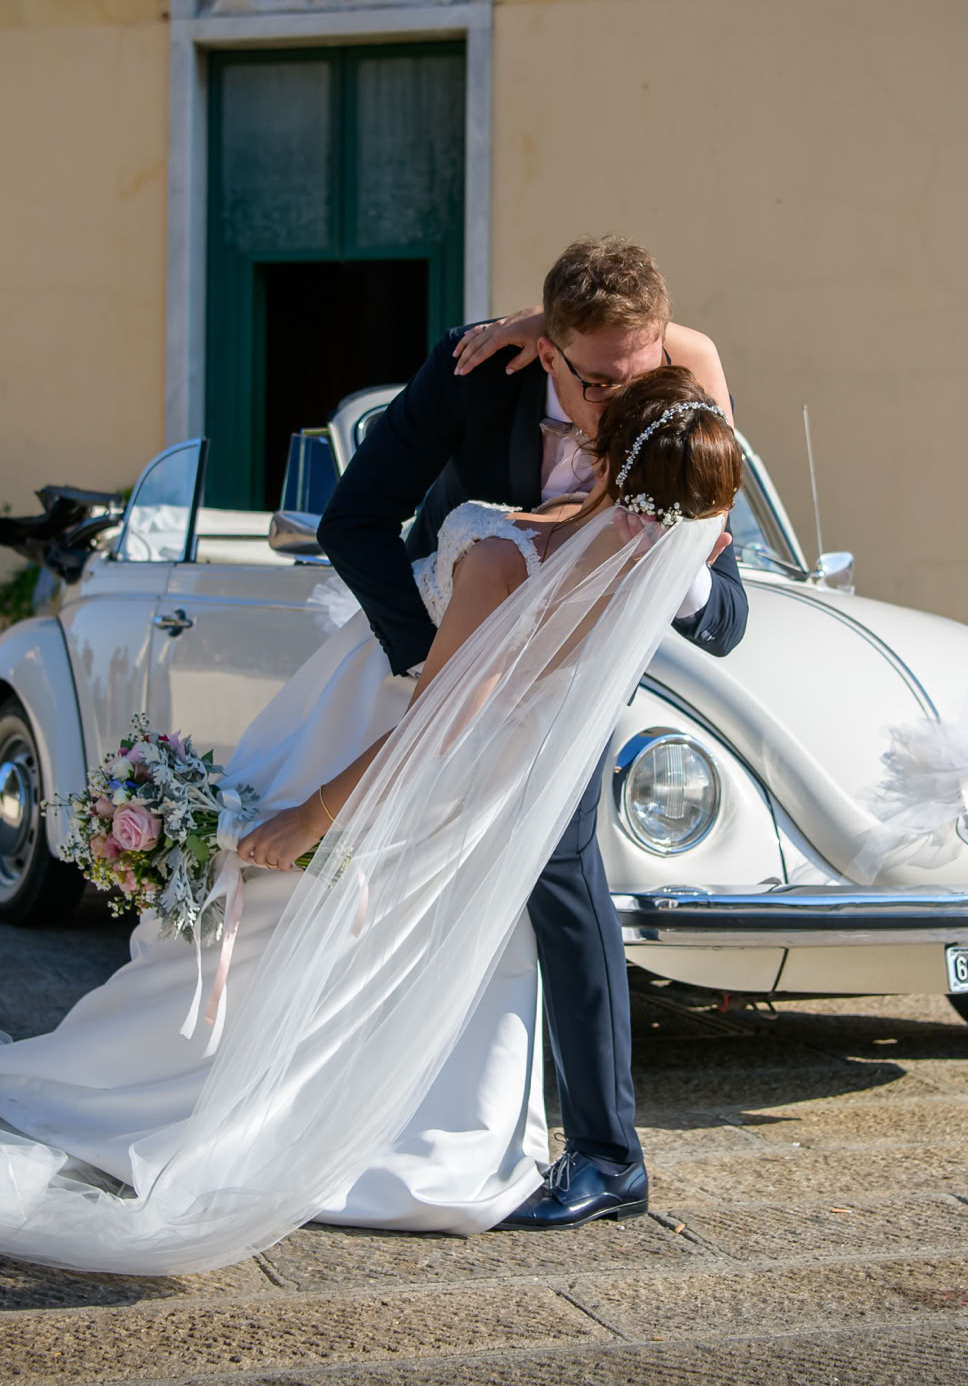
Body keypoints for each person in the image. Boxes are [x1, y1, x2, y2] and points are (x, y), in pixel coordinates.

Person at [0, 370, 741, 1275]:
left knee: (245, 949)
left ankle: (135, 1102)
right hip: (395, 774)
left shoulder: (513, 560)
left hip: (363, 779)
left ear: (604, 449)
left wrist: (308, 817)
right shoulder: (633, 562)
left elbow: (433, 729)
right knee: (286, 963)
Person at [316, 235, 748, 1229]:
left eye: (641, 370)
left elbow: (724, 615)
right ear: (548, 351)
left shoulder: (679, 384)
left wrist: (677, 568)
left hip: (591, 653)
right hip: (464, 632)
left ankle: (606, 1155)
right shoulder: (474, 372)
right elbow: (355, 520)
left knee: (558, 854)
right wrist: (429, 660)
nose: (624, 398)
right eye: (598, 380)